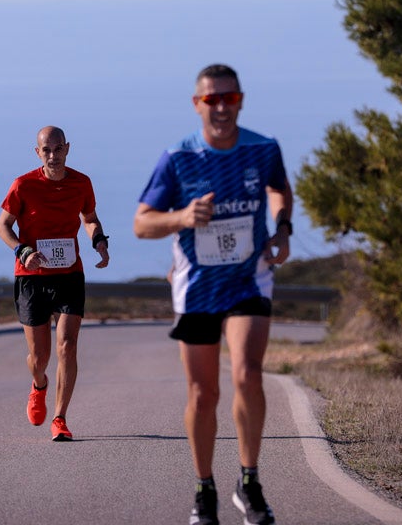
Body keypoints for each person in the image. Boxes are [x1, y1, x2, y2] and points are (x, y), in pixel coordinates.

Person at [133, 64, 292, 525]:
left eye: (229, 98)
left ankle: (250, 480)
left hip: (249, 277)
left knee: (247, 374)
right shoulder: (177, 158)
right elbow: (142, 223)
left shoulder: (263, 148)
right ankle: (205, 489)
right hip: (198, 285)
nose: (220, 107)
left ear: (240, 100)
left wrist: (282, 229)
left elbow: (280, 189)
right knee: (203, 394)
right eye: (211, 99)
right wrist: (182, 217)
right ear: (197, 104)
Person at [0, 125, 112, 442]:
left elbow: (89, 218)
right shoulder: (23, 185)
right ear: (38, 153)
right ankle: (39, 385)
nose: (53, 155)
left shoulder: (81, 182)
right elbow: (3, 226)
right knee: (39, 359)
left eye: (58, 149)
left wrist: (98, 241)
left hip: (69, 274)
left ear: (67, 149)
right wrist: (22, 250)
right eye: (46, 150)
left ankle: (60, 418)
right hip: (31, 277)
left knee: (68, 346)